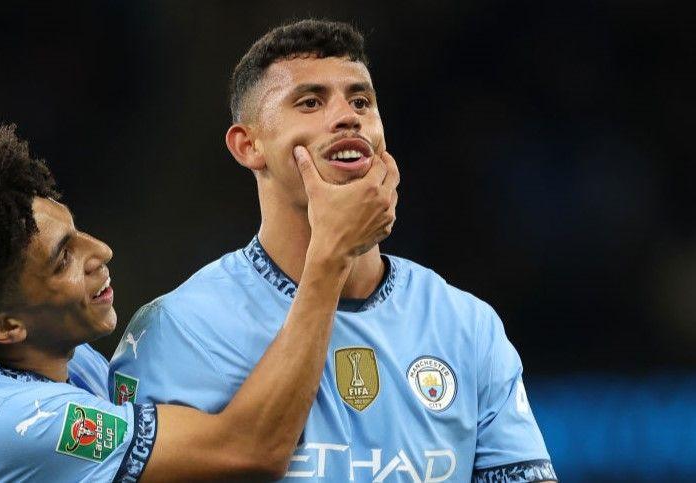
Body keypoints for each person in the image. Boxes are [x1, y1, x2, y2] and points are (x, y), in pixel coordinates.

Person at [109, 19, 557, 482]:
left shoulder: (467, 326)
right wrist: (332, 253)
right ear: (248, 145)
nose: (348, 116)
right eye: (310, 102)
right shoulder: (179, 329)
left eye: (361, 100)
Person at [0, 124, 397, 481]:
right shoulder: (9, 423)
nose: (101, 252)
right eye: (63, 259)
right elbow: (251, 451)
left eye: (78, 231)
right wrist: (328, 257)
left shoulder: (70, 367)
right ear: (4, 325)